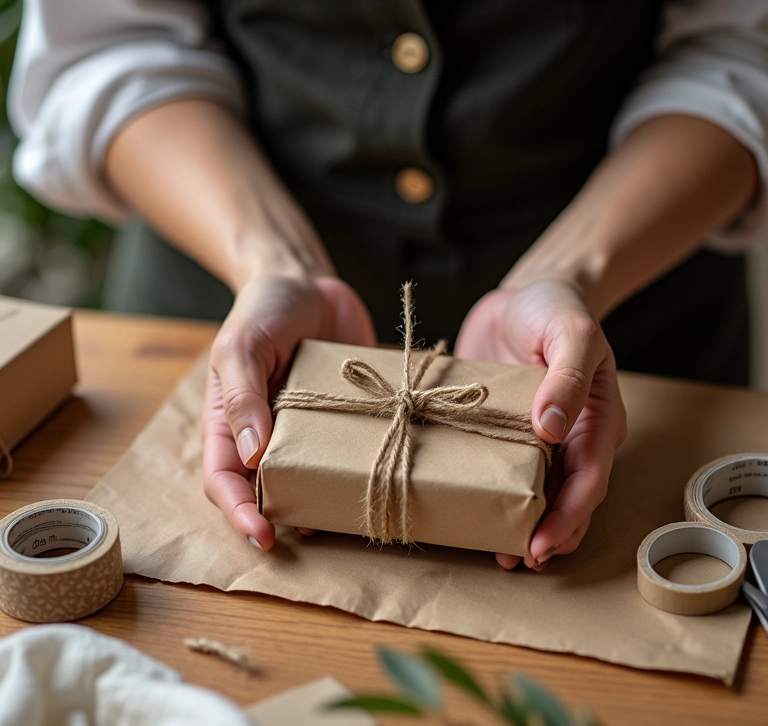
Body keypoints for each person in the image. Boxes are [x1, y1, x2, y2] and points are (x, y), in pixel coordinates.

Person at [8, 1, 768, 570]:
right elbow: (111, 45)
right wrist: (275, 264)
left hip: (630, 330)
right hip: (224, 317)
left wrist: (567, 274)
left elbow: (738, 48)